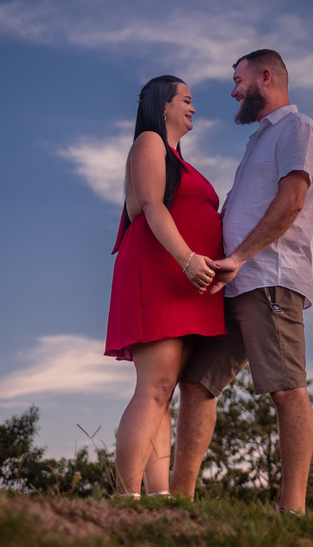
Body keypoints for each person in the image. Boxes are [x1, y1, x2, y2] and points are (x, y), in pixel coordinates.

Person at [170, 49, 313, 511]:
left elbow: (292, 201)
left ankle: (291, 511)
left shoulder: (299, 130)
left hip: (270, 279)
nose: (234, 90)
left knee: (285, 388)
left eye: (238, 80)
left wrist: (237, 256)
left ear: (265, 77)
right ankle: (179, 500)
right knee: (196, 383)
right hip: (235, 282)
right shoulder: (259, 140)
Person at [104, 75, 225, 497]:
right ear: (163, 106)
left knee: (164, 390)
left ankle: (159, 498)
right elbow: (152, 204)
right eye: (187, 100)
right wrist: (189, 259)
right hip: (161, 273)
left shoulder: (178, 156)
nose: (194, 108)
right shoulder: (149, 142)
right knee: (154, 387)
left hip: (186, 284)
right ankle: (126, 497)